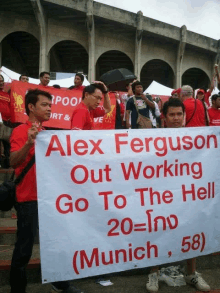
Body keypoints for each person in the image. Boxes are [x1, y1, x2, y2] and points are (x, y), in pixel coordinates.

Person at [9, 89, 84, 293]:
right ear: (31, 107)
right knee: (24, 249)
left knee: (58, 245)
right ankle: (17, 289)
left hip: (50, 199)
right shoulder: (20, 131)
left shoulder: (47, 133)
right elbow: (13, 161)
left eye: (50, 105)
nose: (49, 108)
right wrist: (28, 143)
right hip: (28, 199)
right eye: (44, 105)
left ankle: (60, 284)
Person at [146, 98, 210, 293]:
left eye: (179, 114)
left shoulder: (197, 139)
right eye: (172, 114)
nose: (176, 118)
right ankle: (154, 273)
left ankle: (191, 273)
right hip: (161, 195)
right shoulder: (150, 140)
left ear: (184, 116)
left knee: (191, 230)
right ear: (164, 118)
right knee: (157, 231)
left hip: (188, 194)